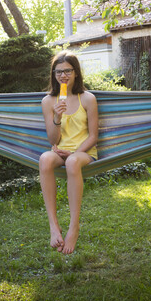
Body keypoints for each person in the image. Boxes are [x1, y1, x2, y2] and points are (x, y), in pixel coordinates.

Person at [39, 50, 98, 255]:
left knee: (72, 163)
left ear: (76, 73)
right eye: (58, 72)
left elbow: (93, 136)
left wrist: (73, 154)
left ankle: (74, 227)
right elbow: (53, 140)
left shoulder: (88, 98)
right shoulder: (48, 101)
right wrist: (56, 116)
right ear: (53, 75)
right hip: (59, 150)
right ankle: (54, 226)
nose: (63, 76)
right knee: (45, 158)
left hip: (83, 152)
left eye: (67, 71)